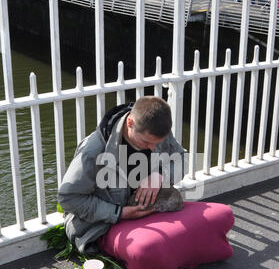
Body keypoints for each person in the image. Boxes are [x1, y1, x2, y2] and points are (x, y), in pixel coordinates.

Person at [58, 96, 186, 254]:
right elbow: (68, 198)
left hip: (145, 214)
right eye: (146, 142)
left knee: (188, 238)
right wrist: (118, 213)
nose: (153, 148)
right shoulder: (92, 151)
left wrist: (160, 175)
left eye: (157, 143)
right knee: (145, 252)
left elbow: (180, 159)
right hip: (102, 225)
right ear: (130, 123)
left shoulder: (155, 128)